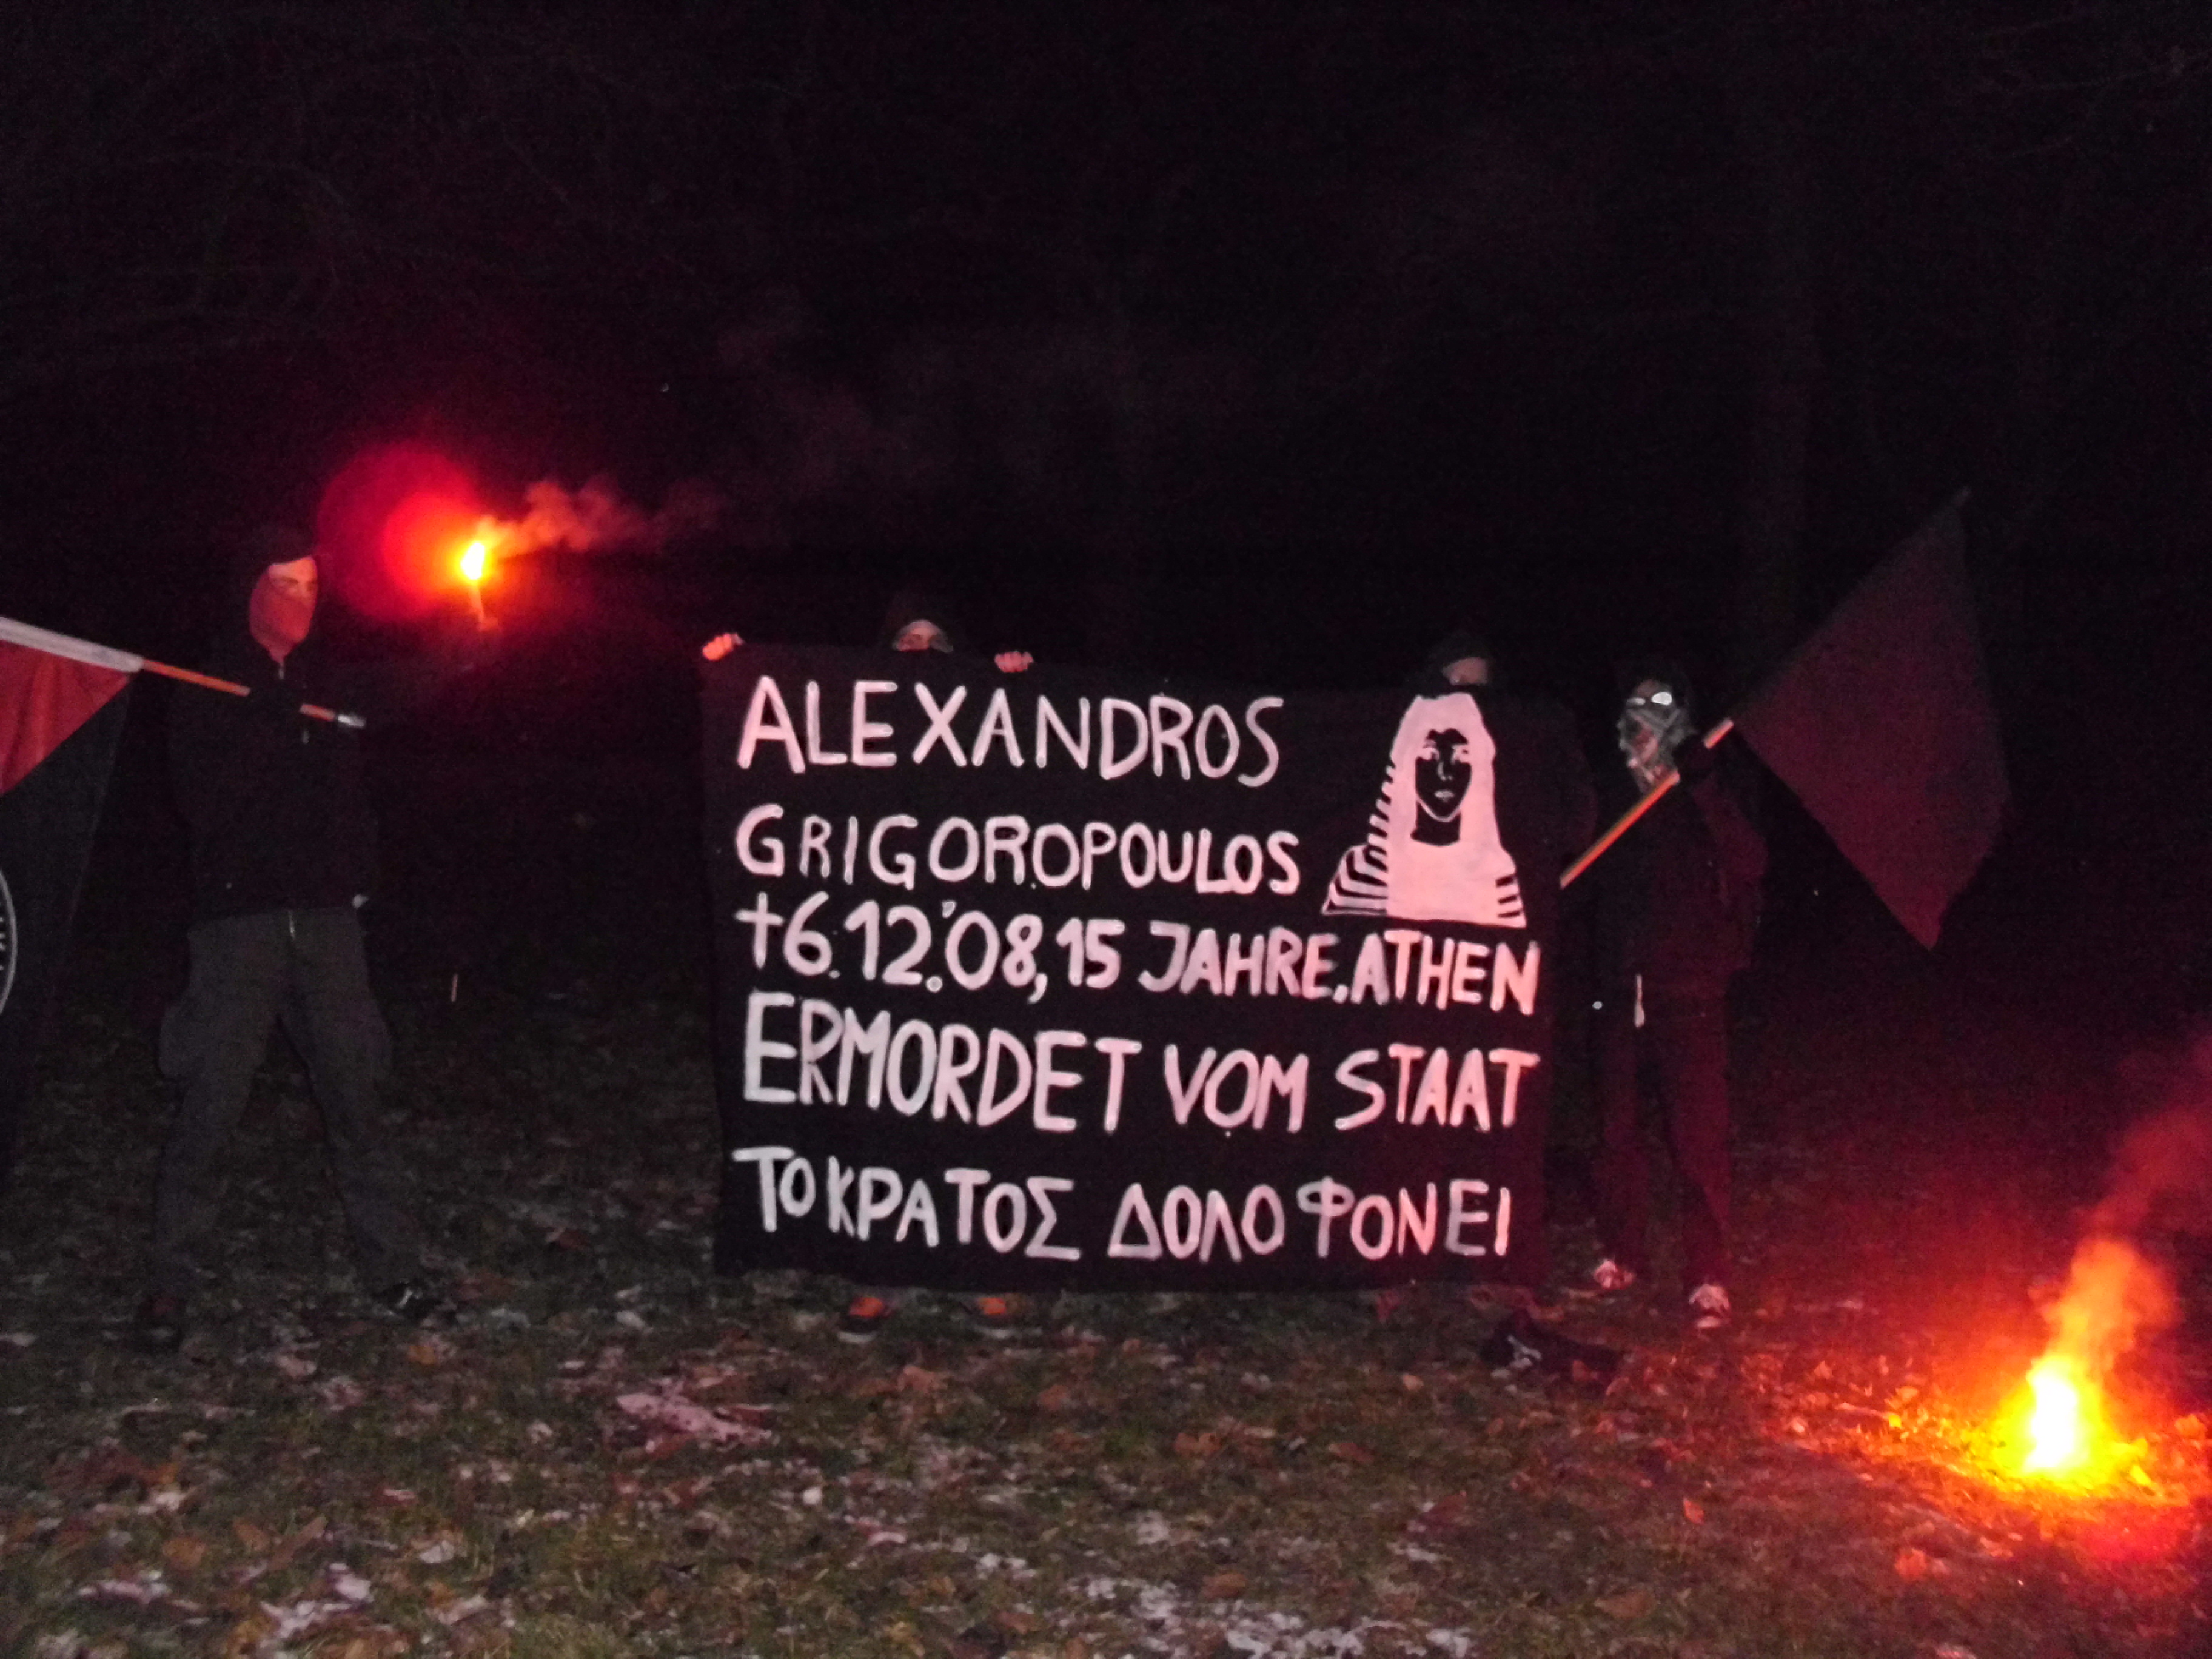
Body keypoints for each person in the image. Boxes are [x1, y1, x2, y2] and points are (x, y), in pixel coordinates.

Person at [133, 525, 489, 1353]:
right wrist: (259, 728)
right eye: (285, 585)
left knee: (358, 1097)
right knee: (211, 1103)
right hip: (240, 924)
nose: (301, 601)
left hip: (327, 923)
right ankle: (168, 1285)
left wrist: (461, 649)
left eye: (312, 588)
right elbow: (201, 805)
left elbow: (401, 689)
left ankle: (394, 1270)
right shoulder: (207, 682)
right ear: (251, 589)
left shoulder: (329, 680)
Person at [704, 586, 1030, 1342]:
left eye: (936, 642)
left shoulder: (986, 724)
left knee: (964, 1108)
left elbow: (1036, 781)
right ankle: (879, 1273)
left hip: (964, 954)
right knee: (880, 1111)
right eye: (907, 640)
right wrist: (736, 674)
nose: (920, 653)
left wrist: (1021, 690)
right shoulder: (849, 731)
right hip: (871, 957)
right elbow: (782, 764)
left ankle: (973, 1266)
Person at [1587, 660, 1765, 1331]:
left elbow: (1749, 860)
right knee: (1616, 1129)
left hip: (1689, 986)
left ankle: (1707, 1274)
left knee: (1698, 1137)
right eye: (1635, 707)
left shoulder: (1704, 778)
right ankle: (1623, 1250)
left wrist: (1704, 785)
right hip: (1618, 986)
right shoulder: (1612, 788)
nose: (1644, 722)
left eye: (1659, 705)